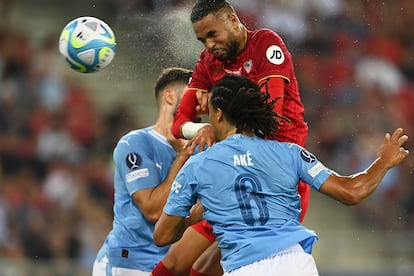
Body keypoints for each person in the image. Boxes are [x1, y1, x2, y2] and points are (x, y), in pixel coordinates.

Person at [153, 75, 409, 275]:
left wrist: (192, 218)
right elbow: (352, 192)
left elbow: (162, 236)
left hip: (244, 268)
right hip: (296, 265)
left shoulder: (199, 165)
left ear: (218, 113)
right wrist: (383, 162)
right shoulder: (290, 153)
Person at [153, 0, 309, 274]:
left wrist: (220, 121)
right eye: (202, 39)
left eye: (213, 34)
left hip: (275, 182)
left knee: (202, 269)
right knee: (174, 264)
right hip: (234, 178)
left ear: (233, 21)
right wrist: (203, 128)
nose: (208, 44)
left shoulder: (266, 46)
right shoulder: (208, 62)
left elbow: (270, 117)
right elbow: (178, 125)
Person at [92, 67, 197, 275]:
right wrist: (181, 158)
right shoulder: (135, 143)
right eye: (192, 95)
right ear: (170, 96)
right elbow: (153, 210)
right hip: (129, 263)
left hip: (170, 264)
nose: (199, 103)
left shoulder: (199, 149)